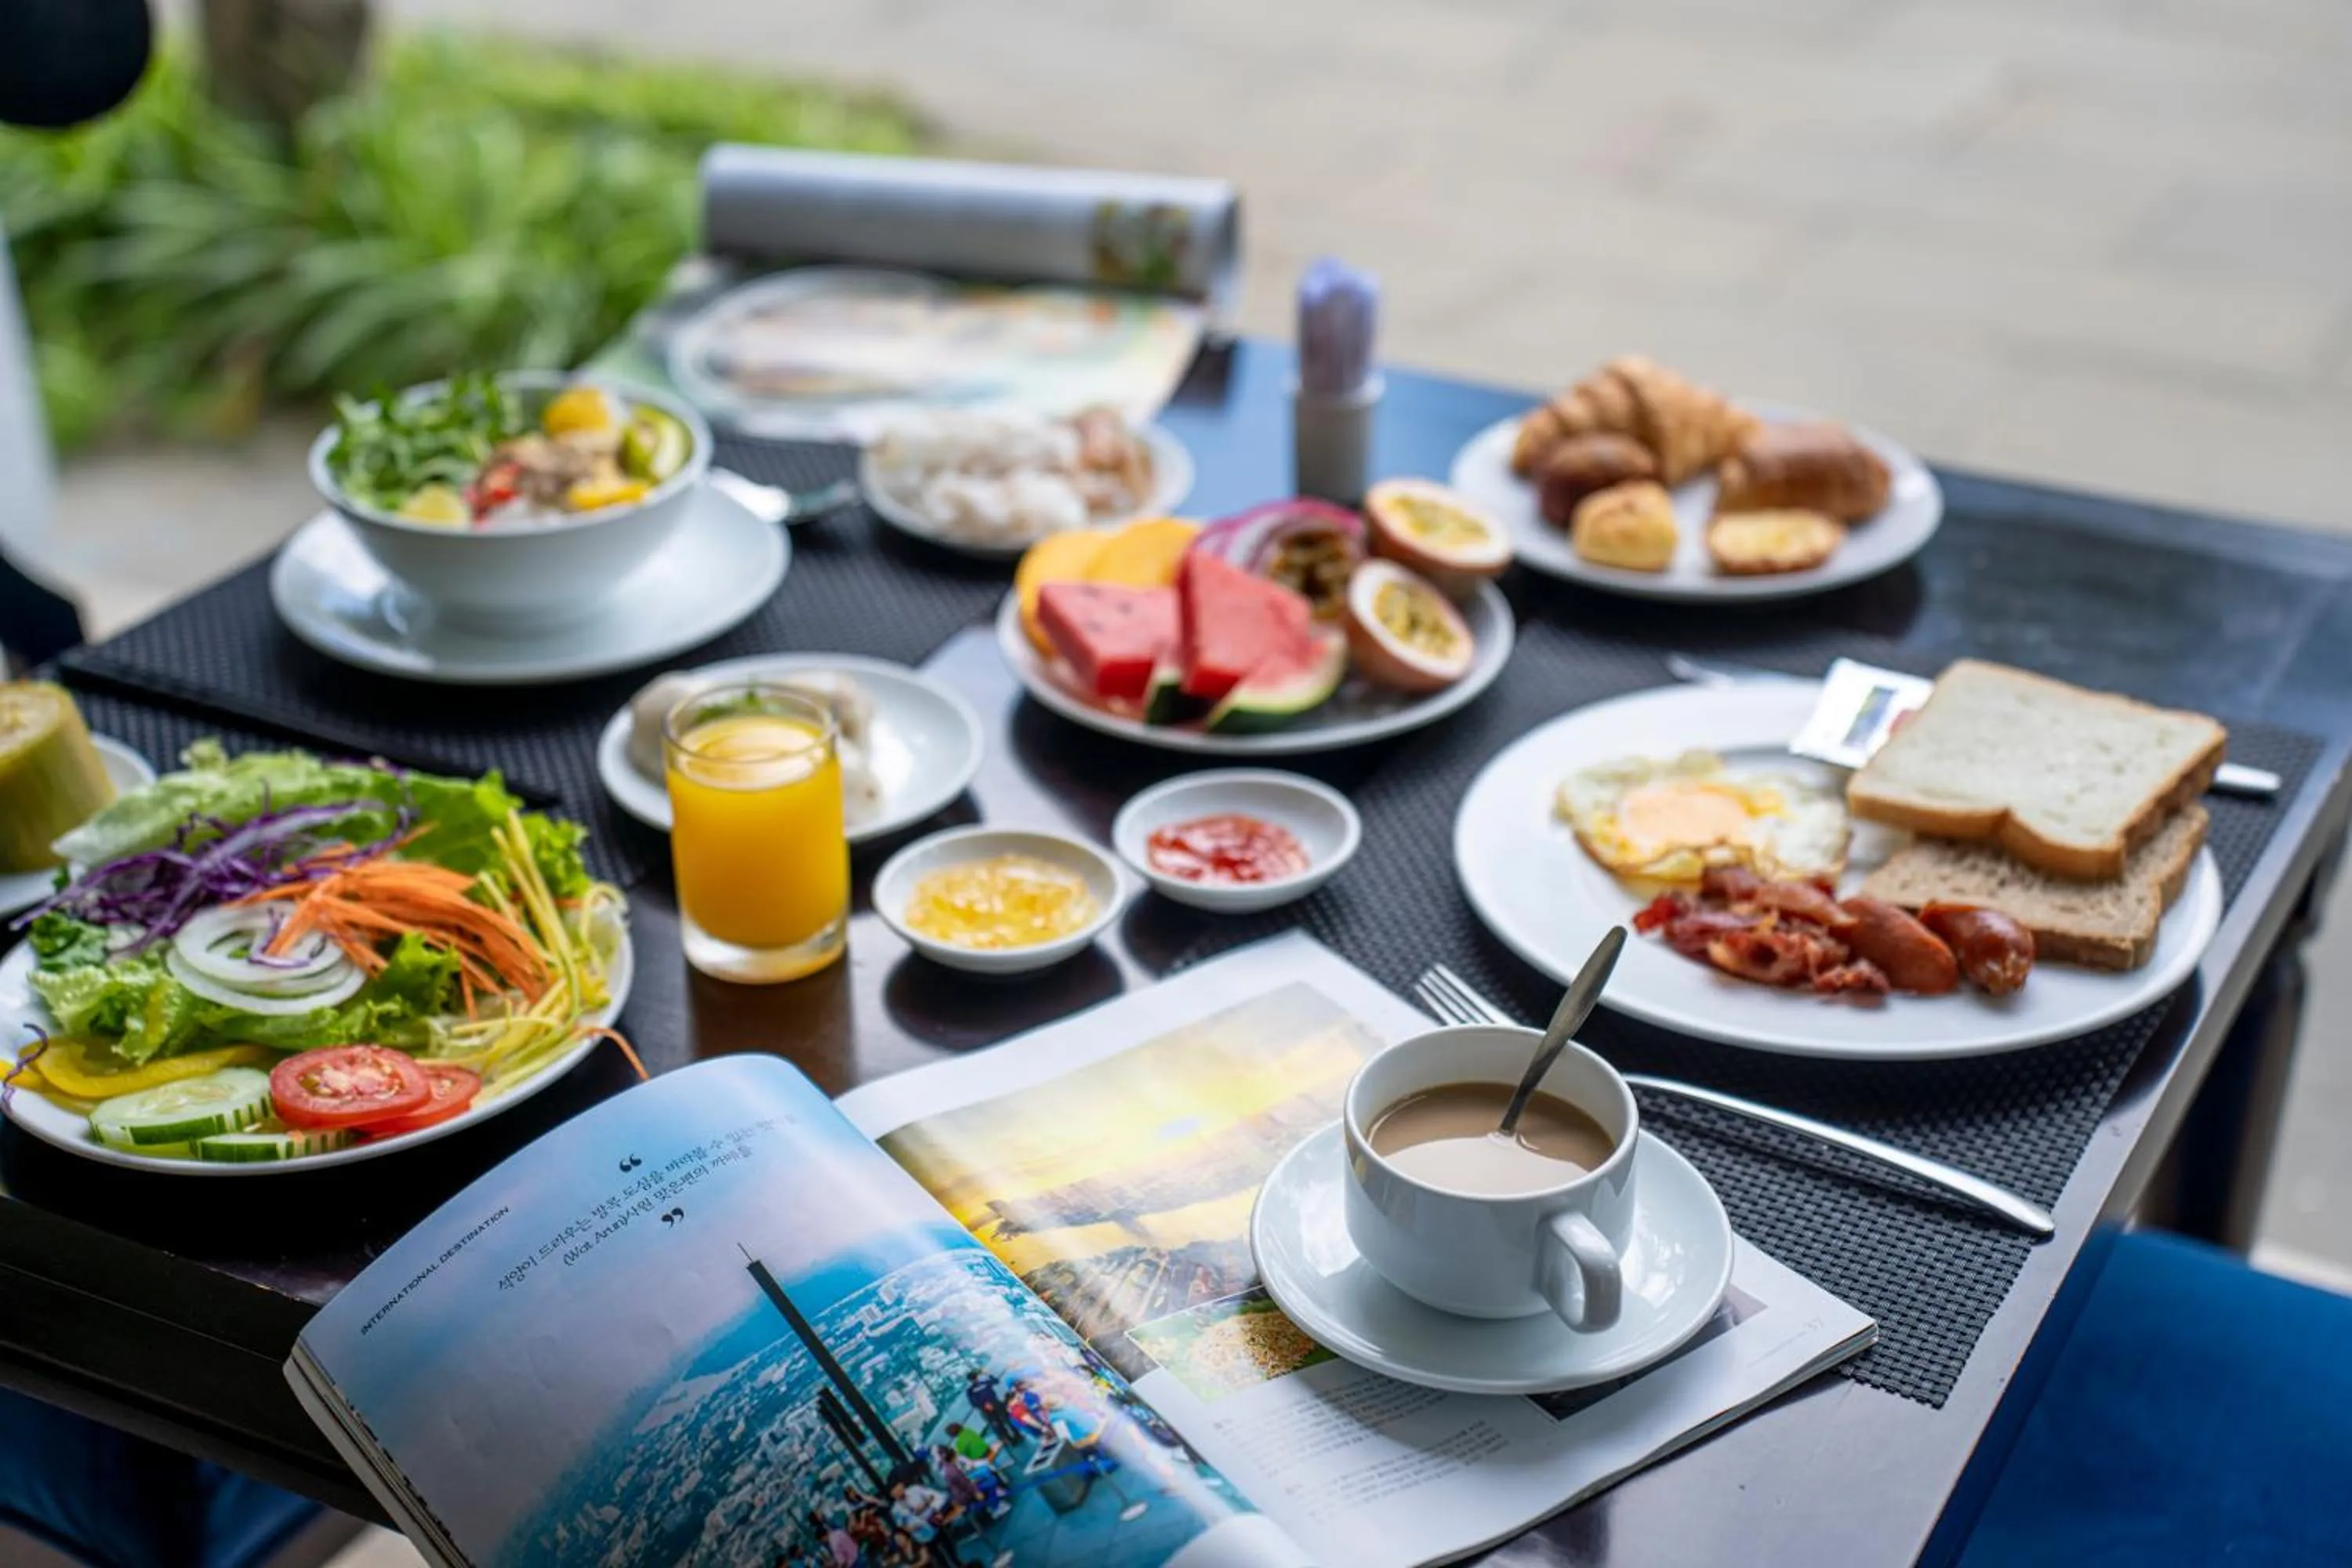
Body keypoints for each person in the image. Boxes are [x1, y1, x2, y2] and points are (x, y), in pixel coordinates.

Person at [963, 1368, 1022, 1448]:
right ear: (976, 1377)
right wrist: (987, 1374)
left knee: (1000, 1424)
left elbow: (974, 1404)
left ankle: (1012, 1439)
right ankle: (1015, 1437)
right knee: (1004, 1421)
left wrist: (984, 1405)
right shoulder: (981, 1384)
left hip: (988, 1407)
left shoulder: (970, 1391)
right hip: (992, 1405)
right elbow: (996, 1381)